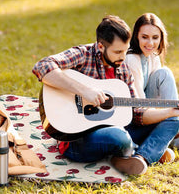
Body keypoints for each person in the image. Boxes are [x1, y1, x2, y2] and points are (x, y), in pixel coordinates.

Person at [32, 15, 179, 175]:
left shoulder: (122, 69)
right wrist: (84, 90)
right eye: (117, 52)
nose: (123, 57)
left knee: (174, 120)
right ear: (101, 47)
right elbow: (42, 66)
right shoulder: (83, 54)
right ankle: (141, 149)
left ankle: (141, 157)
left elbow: (137, 113)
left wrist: (169, 111)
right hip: (77, 139)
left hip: (117, 128)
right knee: (119, 137)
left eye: (125, 50)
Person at [125, 13, 179, 150]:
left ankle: (174, 127)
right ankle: (172, 129)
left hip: (151, 108)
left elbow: (161, 94)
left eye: (155, 38)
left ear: (161, 38)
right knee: (165, 72)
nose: (150, 43)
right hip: (136, 115)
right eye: (144, 37)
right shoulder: (132, 59)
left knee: (164, 72)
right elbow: (140, 105)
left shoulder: (153, 56)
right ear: (136, 36)